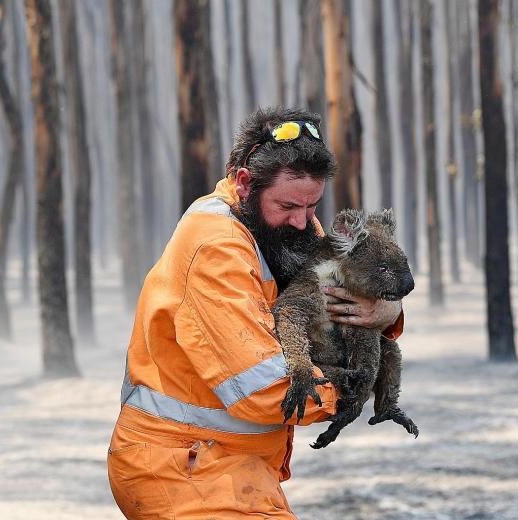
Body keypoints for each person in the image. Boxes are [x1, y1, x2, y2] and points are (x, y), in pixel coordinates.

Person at [107, 107, 405, 519]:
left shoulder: (288, 226)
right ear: (246, 184)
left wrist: (388, 311)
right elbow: (262, 389)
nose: (303, 222)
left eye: (312, 206)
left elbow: (345, 299)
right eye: (288, 205)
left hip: (232, 464)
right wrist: (353, 387)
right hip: (182, 467)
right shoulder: (215, 247)